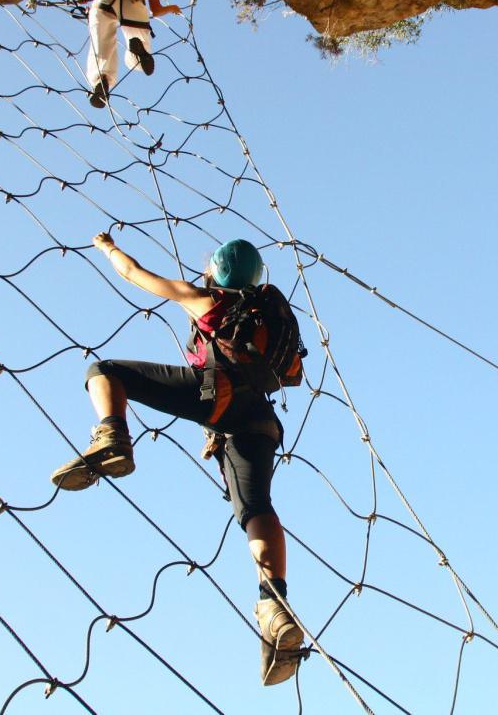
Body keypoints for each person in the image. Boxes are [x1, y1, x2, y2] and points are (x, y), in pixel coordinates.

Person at [50, 234, 304, 685]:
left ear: (215, 272)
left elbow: (135, 275)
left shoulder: (208, 299)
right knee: (256, 509)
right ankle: (275, 607)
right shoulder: (274, 314)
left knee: (104, 372)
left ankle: (113, 435)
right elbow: (293, 375)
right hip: (259, 421)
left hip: (217, 401)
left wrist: (107, 247)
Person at [75, 0, 182, 108]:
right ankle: (138, 50)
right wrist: (172, 8)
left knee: (101, 44)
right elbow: (156, 9)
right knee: (139, 34)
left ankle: (101, 81)